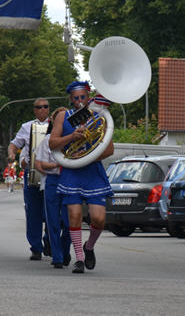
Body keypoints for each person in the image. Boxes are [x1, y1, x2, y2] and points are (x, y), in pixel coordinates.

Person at [49, 81, 114, 274]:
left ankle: (89, 247)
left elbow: (109, 150)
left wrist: (85, 157)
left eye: (83, 97)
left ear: (88, 97)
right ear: (70, 99)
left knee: (99, 218)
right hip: (72, 173)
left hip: (92, 172)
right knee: (74, 216)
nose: (79, 101)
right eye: (76, 98)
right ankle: (79, 258)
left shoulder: (100, 115)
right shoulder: (63, 116)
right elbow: (52, 143)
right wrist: (71, 138)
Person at [8, 98, 51, 261]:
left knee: (51, 212)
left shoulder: (56, 125)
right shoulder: (27, 127)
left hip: (50, 173)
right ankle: (36, 247)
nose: (42, 109)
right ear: (34, 109)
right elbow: (15, 144)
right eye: (39, 107)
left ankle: (49, 241)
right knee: (33, 212)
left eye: (45, 107)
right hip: (31, 173)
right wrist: (12, 154)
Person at [34, 107, 72, 269]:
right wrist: (57, 164)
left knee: (70, 221)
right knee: (53, 221)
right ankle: (57, 256)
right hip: (53, 180)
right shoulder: (48, 140)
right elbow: (40, 164)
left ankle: (65, 250)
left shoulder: (74, 137)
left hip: (70, 180)